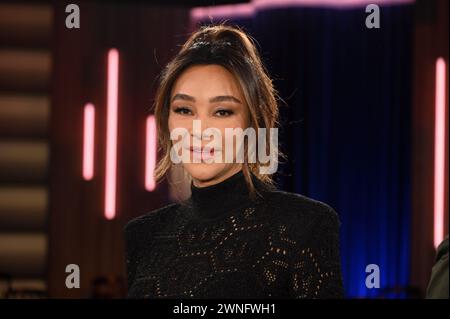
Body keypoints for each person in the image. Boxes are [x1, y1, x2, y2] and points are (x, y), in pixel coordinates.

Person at [124, 24, 344, 298]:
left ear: (254, 122)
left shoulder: (303, 225)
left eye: (222, 112)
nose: (199, 130)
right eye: (184, 109)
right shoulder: (142, 235)